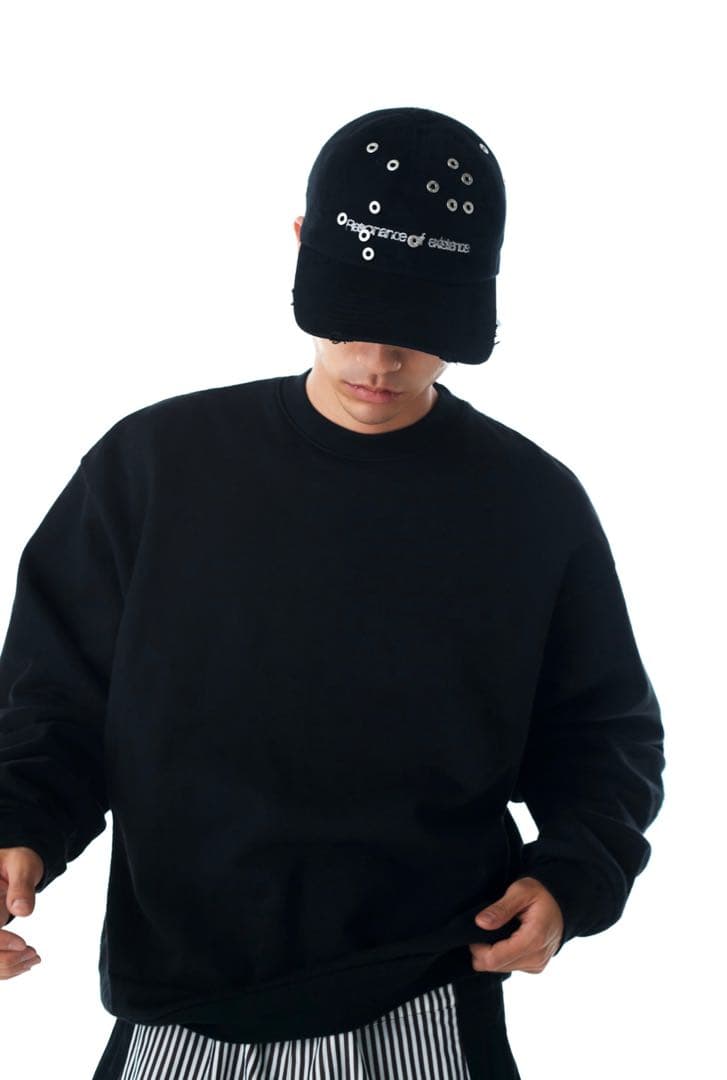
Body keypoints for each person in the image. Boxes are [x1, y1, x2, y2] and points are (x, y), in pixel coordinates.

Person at [0, 107, 665, 1079]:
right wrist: (16, 829)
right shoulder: (154, 470)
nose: (380, 362)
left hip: (425, 989)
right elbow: (54, 702)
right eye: (355, 318)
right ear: (302, 244)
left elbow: (602, 734)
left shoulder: (529, 506)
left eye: (419, 328)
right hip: (180, 994)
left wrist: (572, 878)